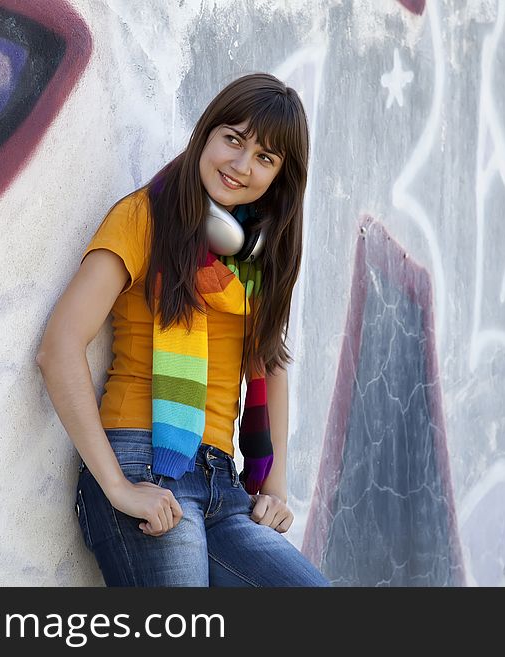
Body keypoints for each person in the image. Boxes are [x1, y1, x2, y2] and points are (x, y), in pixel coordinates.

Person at [37, 73, 329, 587]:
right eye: (234, 140)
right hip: (144, 463)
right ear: (207, 134)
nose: (241, 166)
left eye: (265, 158)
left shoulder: (255, 260)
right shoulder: (142, 218)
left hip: (224, 483)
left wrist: (275, 486)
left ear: (281, 177)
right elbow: (59, 347)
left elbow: (272, 361)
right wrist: (118, 487)